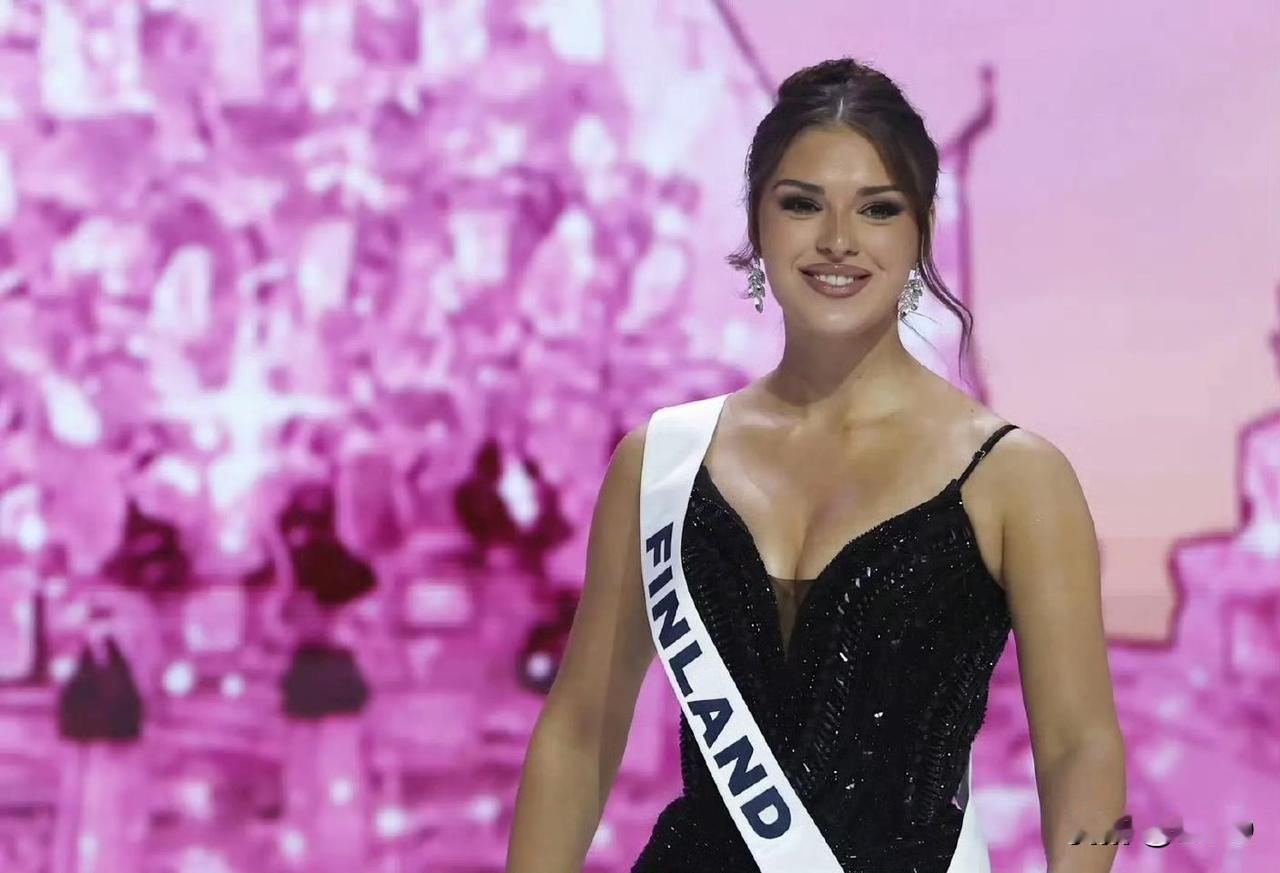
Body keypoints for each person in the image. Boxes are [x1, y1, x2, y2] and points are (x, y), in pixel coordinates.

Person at [505, 57, 1125, 873]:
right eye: (802, 204)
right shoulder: (659, 463)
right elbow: (580, 731)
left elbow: (1080, 748)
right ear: (757, 222)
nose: (837, 240)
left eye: (878, 208)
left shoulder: (1015, 478)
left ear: (921, 228)